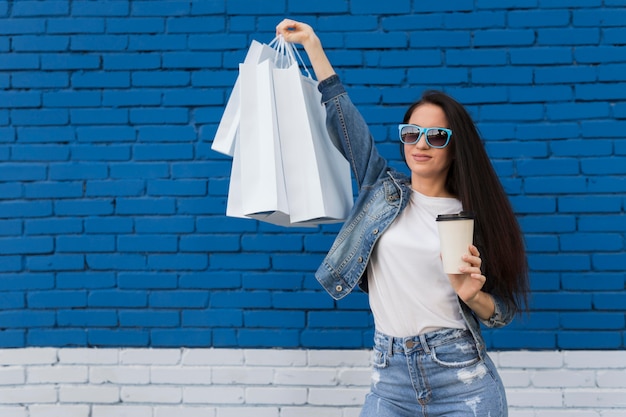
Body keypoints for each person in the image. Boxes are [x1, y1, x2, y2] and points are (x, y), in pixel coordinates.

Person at [276, 19, 529, 417]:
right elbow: (344, 120)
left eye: (436, 136)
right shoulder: (381, 189)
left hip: (461, 377)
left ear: (454, 147)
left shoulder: (472, 217)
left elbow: (503, 311)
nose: (421, 144)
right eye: (412, 134)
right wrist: (312, 45)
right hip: (388, 377)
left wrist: (472, 295)